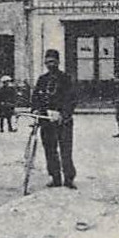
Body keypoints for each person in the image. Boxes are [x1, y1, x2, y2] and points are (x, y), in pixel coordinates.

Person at [32, 49, 76, 188]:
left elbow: (72, 99)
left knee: (66, 149)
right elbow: (35, 98)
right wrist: (35, 109)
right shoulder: (42, 80)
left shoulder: (66, 78)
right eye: (47, 62)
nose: (50, 64)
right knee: (49, 150)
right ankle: (55, 177)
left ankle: (69, 178)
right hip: (46, 120)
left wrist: (64, 114)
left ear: (58, 62)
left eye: (53, 61)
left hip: (63, 120)